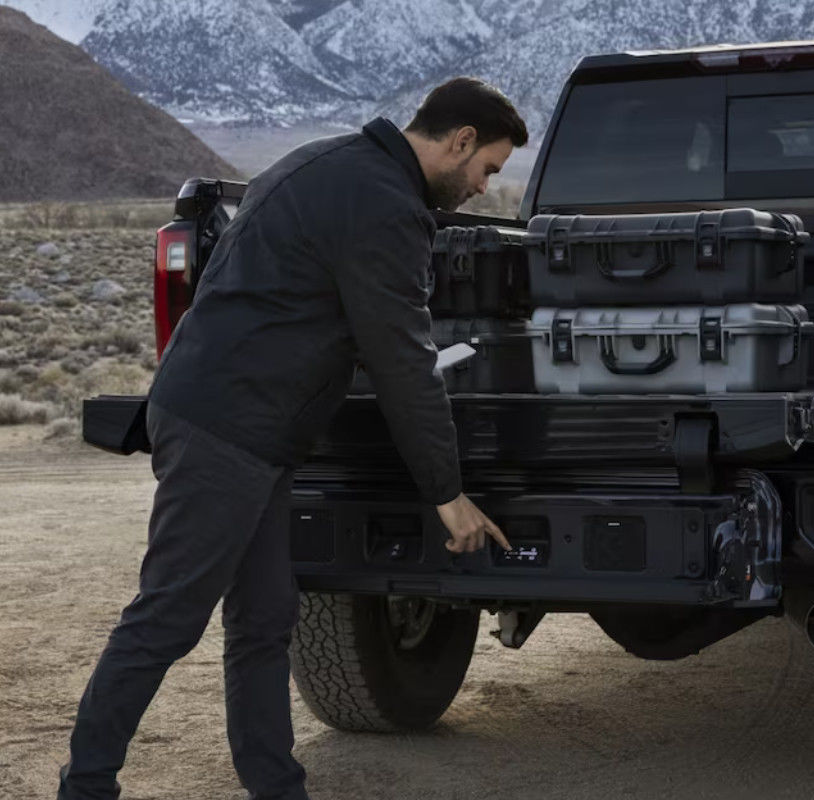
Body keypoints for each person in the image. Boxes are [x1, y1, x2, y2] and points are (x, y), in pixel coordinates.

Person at [57, 77, 526, 800]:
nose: (483, 188)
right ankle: (85, 788)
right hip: (228, 427)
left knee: (267, 616)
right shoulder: (383, 204)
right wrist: (448, 495)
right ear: (459, 141)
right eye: (487, 169)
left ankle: (276, 785)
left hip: (249, 426)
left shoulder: (324, 161)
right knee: (168, 616)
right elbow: (403, 363)